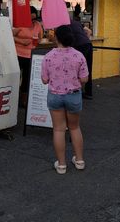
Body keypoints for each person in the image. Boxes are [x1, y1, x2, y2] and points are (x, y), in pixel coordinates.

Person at [41, 25, 89, 174]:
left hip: (55, 96)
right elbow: (85, 78)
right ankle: (79, 160)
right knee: (74, 128)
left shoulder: (48, 56)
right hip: (73, 95)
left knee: (59, 129)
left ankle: (61, 165)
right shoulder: (79, 55)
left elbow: (44, 80)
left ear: (56, 37)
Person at [13, 6, 43, 107]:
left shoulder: (38, 25)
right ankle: (12, 98)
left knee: (26, 79)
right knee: (16, 77)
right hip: (18, 54)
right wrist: (21, 41)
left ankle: (23, 101)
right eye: (31, 19)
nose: (33, 21)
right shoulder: (20, 24)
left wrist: (37, 41)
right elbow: (9, 35)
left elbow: (40, 38)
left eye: (35, 19)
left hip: (30, 55)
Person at [70, 14, 93, 99]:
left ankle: (75, 91)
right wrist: (86, 40)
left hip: (79, 46)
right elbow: (89, 31)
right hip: (88, 44)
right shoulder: (77, 23)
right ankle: (88, 93)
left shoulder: (64, 25)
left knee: (75, 69)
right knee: (88, 69)